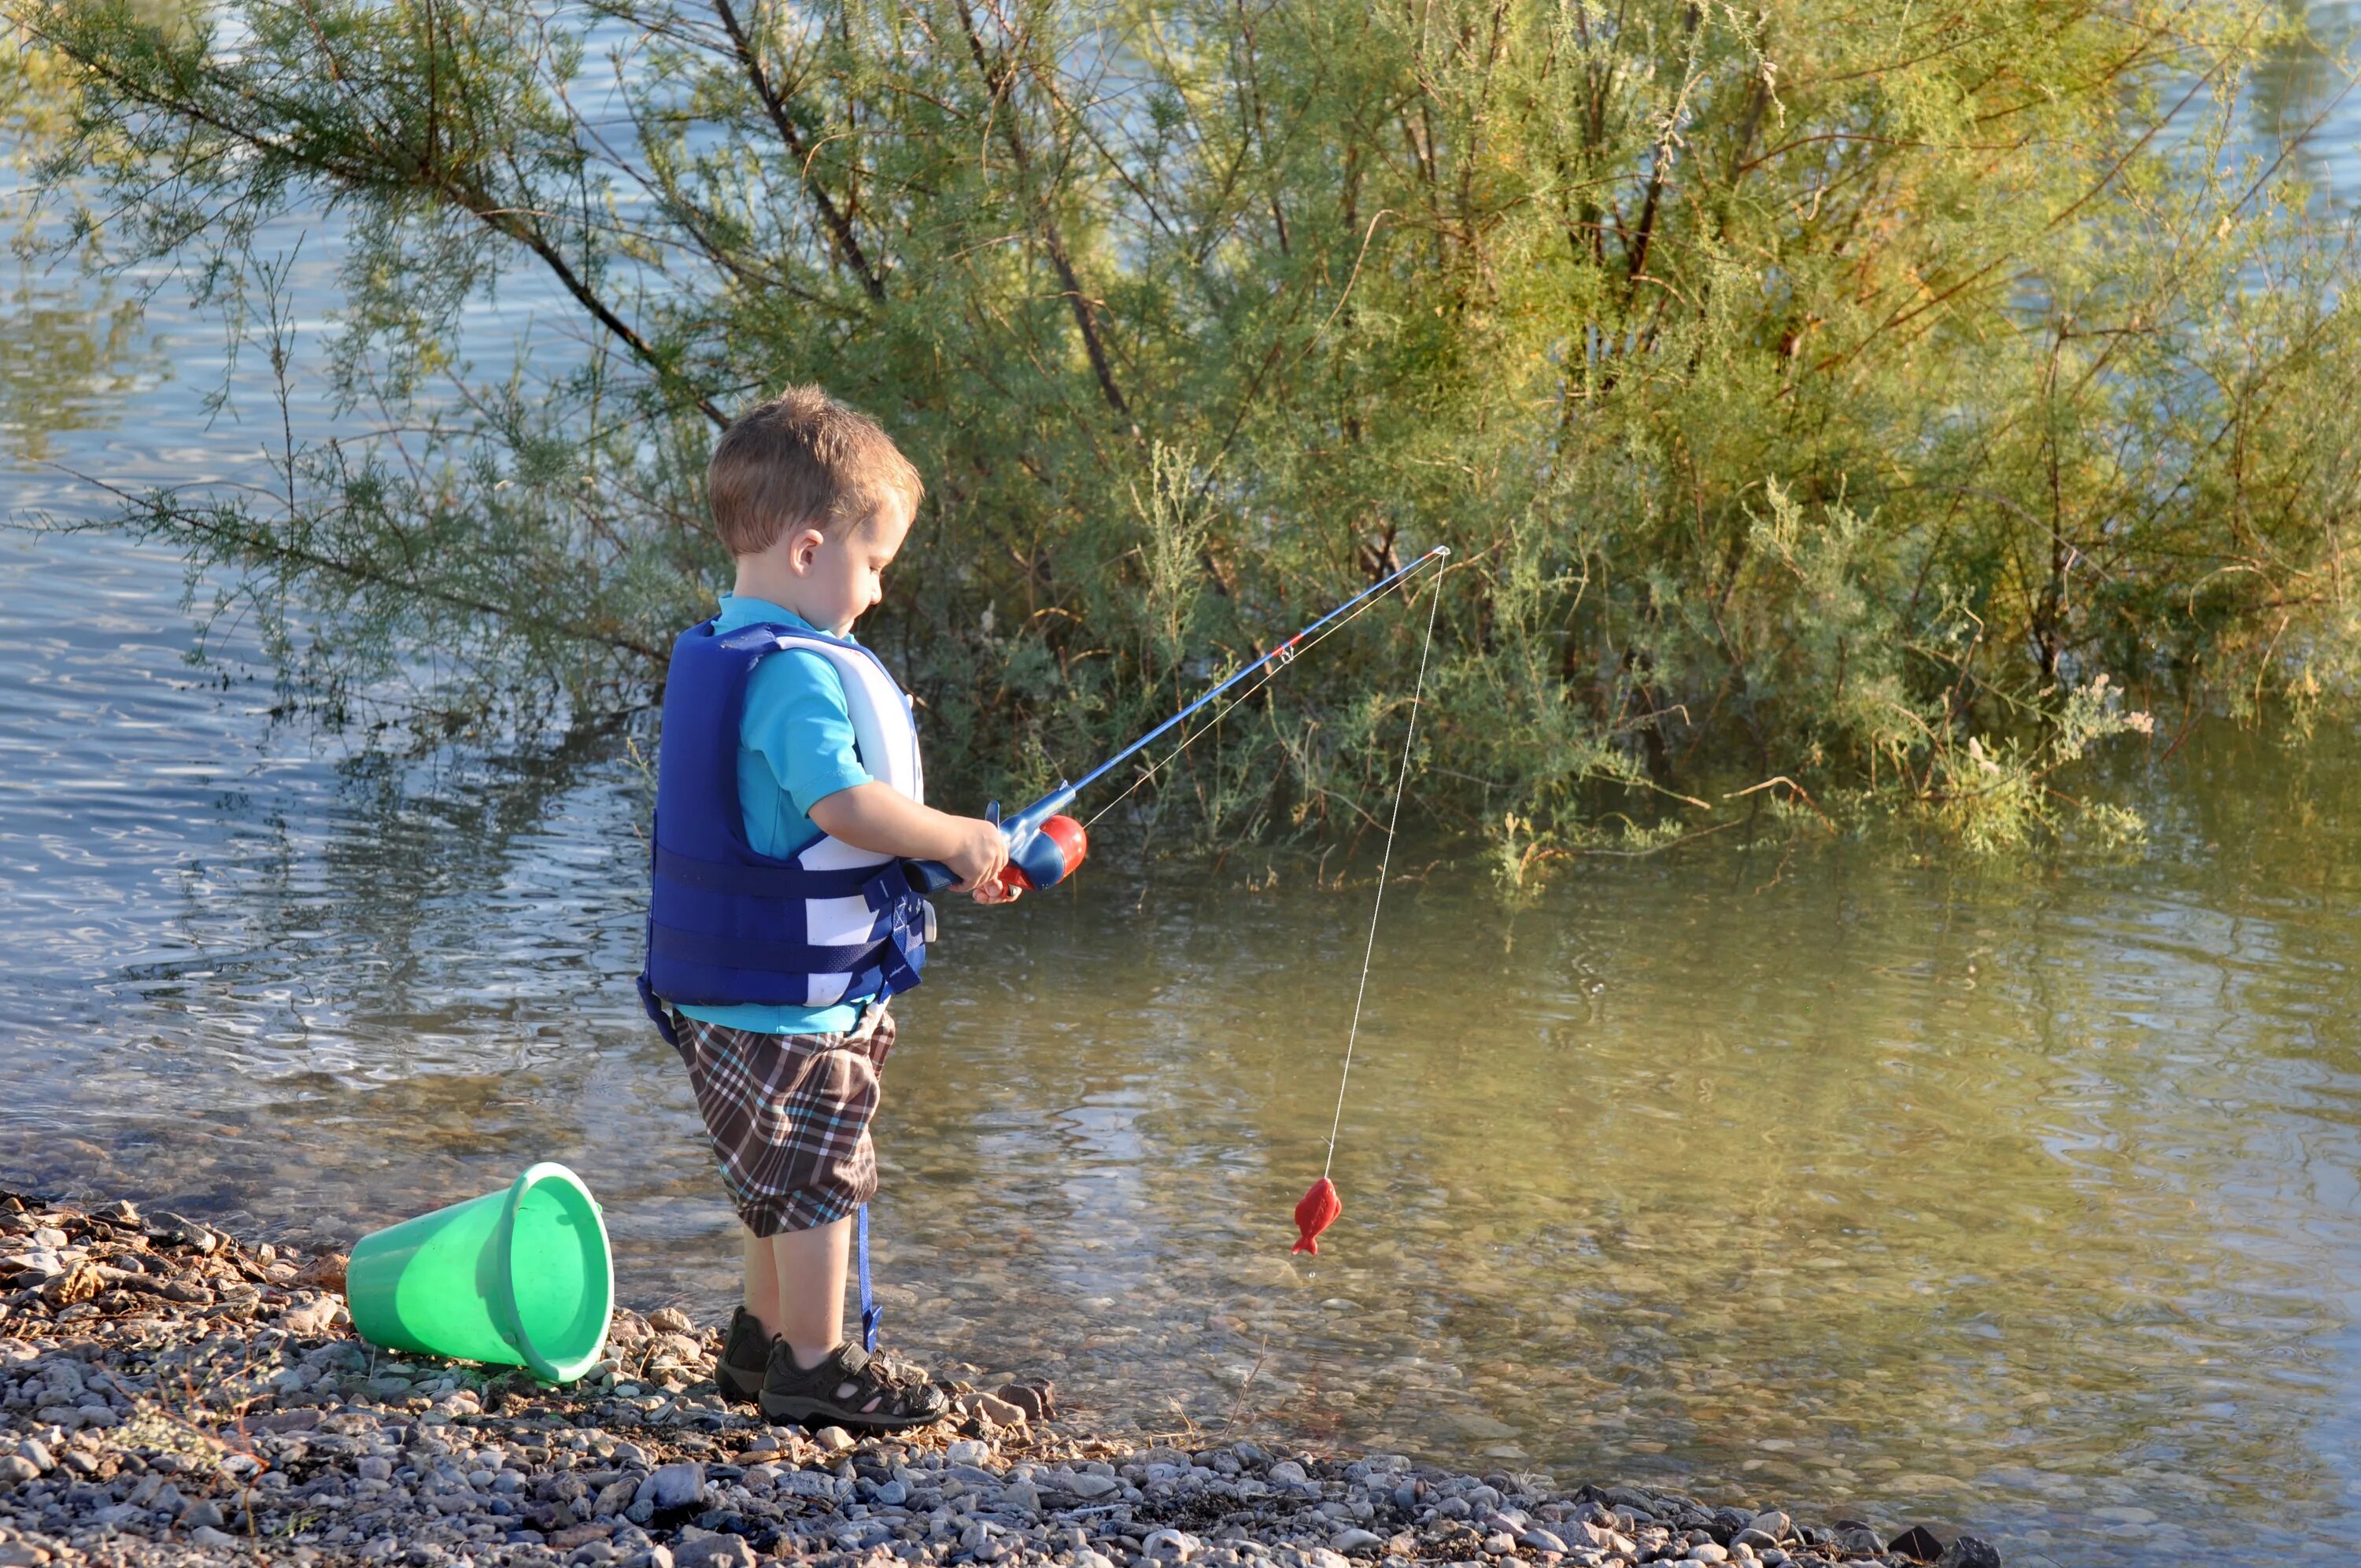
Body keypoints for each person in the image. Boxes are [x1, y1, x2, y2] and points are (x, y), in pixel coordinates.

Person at [637, 387, 1011, 1430]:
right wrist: (953, 836)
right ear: (809, 551)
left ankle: (757, 1345)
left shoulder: (732, 648)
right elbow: (842, 803)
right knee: (818, 1180)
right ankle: (814, 1364)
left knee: (773, 1178)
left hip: (735, 992)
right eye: (876, 560)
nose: (881, 592)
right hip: (785, 1004)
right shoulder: (797, 678)